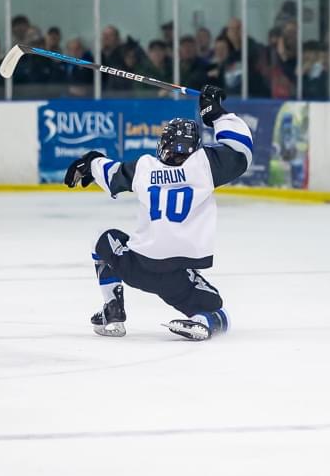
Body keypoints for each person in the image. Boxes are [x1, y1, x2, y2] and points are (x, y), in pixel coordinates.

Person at [63, 85, 251, 341]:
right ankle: (203, 321)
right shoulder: (204, 165)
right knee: (218, 310)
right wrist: (216, 114)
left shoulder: (144, 167)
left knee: (103, 239)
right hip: (177, 276)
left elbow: (111, 174)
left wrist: (91, 161)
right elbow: (241, 151)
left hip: (138, 266)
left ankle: (113, 310)